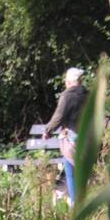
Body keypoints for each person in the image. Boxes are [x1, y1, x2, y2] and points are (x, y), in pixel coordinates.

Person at [43, 67, 88, 206]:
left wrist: (48, 131)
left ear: (68, 82)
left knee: (70, 170)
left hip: (72, 139)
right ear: (80, 81)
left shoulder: (67, 96)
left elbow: (59, 117)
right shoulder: (88, 95)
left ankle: (75, 203)